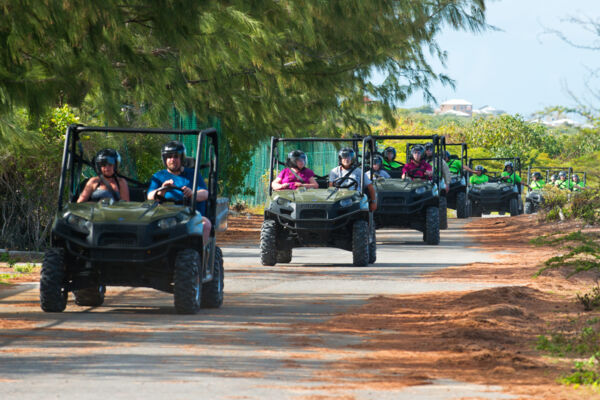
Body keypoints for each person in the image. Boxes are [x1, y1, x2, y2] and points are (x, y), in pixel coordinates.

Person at [147, 140, 211, 243]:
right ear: (164, 159)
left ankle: (200, 255)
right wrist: (162, 190)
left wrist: (192, 194)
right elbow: (150, 196)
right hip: (165, 218)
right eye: (169, 157)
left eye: (176, 156)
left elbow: (205, 193)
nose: (172, 160)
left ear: (182, 158)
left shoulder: (192, 174)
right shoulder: (158, 176)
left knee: (206, 224)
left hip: (190, 216)